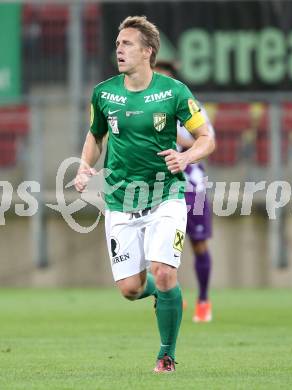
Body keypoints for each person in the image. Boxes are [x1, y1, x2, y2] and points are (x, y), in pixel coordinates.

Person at [75, 16, 215, 373]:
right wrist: (83, 166)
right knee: (130, 289)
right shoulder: (104, 93)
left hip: (166, 195)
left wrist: (185, 156)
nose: (118, 49)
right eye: (118, 43)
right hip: (121, 199)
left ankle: (166, 354)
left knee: (165, 272)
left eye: (127, 44)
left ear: (148, 51)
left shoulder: (174, 92)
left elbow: (206, 138)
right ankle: (165, 293)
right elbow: (95, 136)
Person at [154, 61, 214, 323]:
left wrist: (177, 139)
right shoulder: (144, 107)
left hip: (191, 187)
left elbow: (207, 138)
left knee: (199, 244)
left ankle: (203, 300)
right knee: (158, 250)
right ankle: (170, 295)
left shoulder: (189, 105)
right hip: (159, 187)